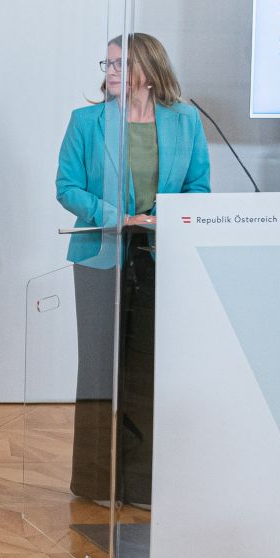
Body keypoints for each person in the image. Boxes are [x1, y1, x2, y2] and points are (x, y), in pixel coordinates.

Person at [56, 32, 210, 508]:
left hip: (160, 255)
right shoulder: (86, 121)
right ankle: (97, 481)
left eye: (120, 64)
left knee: (146, 369)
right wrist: (116, 216)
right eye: (106, 64)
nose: (110, 72)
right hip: (101, 255)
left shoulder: (186, 121)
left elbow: (198, 186)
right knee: (102, 369)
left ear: (149, 67)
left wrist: (164, 218)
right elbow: (66, 186)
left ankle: (141, 484)